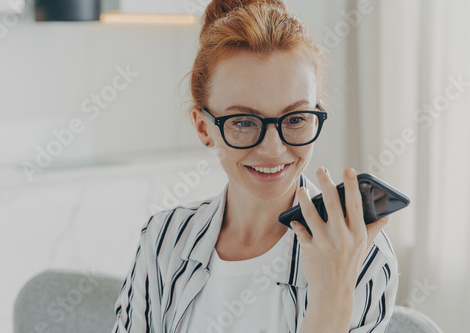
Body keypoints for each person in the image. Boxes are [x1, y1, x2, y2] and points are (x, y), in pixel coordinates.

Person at [111, 0, 399, 332]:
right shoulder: (164, 239)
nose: (273, 148)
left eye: (295, 119)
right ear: (204, 128)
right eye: (244, 122)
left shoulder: (360, 252)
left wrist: (331, 298)